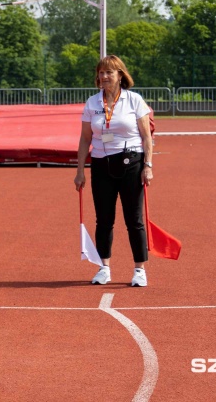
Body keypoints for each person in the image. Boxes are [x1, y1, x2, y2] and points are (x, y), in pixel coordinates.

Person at [73, 55, 154, 287]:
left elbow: (146, 137)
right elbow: (84, 139)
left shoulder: (134, 100)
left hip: (131, 162)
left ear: (120, 75)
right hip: (101, 164)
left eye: (109, 73)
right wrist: (80, 171)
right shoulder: (92, 103)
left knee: (134, 219)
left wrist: (148, 166)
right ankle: (104, 267)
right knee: (104, 220)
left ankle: (139, 269)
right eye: (100, 73)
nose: (103, 77)